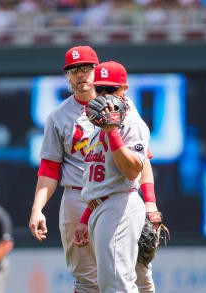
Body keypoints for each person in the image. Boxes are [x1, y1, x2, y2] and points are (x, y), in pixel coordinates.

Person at [28, 46, 159, 293]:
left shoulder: (125, 109)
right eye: (74, 70)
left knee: (138, 276)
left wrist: (150, 202)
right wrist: (38, 208)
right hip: (80, 197)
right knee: (89, 280)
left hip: (120, 194)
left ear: (97, 71)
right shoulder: (59, 116)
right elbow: (49, 167)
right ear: (67, 76)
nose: (81, 75)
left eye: (87, 68)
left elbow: (143, 161)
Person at [73, 61, 150, 292]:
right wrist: (86, 216)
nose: (105, 96)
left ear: (124, 89)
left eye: (111, 89)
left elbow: (133, 170)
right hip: (101, 206)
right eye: (100, 89)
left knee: (116, 283)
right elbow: (101, 176)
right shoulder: (99, 124)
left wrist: (112, 132)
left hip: (119, 205)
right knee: (111, 282)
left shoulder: (131, 123)